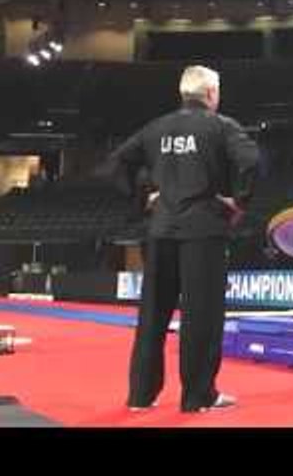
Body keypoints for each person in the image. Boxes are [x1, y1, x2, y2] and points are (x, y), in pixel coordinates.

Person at [104, 65, 260, 413]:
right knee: (201, 316)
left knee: (153, 315)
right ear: (210, 94)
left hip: (160, 231)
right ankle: (198, 396)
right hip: (203, 231)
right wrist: (239, 202)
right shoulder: (222, 126)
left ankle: (141, 395)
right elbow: (251, 161)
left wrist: (141, 198)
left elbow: (116, 163)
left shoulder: (157, 128)